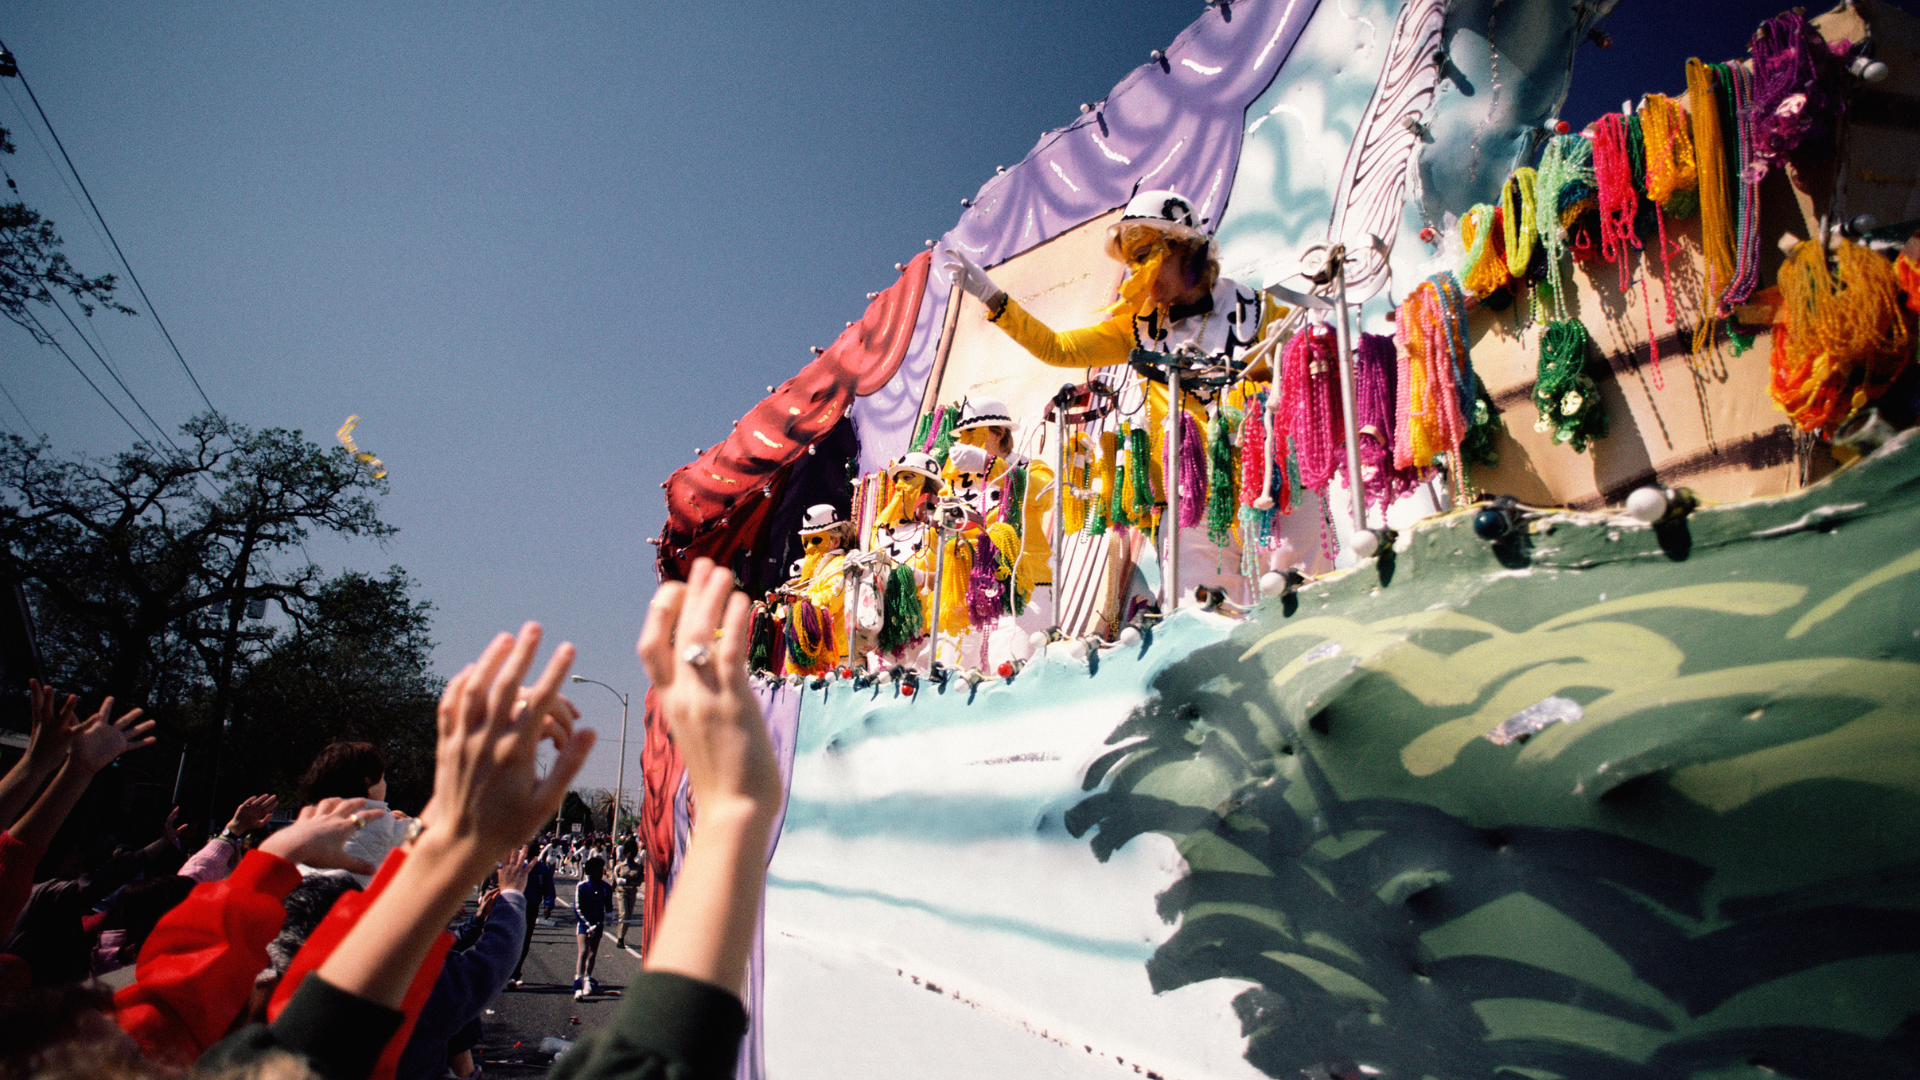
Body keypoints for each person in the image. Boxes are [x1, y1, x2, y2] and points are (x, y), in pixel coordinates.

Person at [300, 741, 407, 886]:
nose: (385, 784)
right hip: (348, 905)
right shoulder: (388, 826)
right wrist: (409, 822)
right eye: (382, 778)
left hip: (299, 901)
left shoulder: (308, 822)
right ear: (368, 783)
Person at [509, 840, 554, 987]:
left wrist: (548, 904)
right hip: (515, 905)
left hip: (531, 907)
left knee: (525, 940)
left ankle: (515, 972)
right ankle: (505, 970)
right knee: (511, 938)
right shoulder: (517, 866)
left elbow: (548, 888)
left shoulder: (542, 869)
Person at [573, 856, 612, 999]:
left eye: (602, 870)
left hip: (598, 924)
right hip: (584, 925)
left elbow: (608, 905)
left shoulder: (606, 887)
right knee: (583, 951)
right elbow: (577, 909)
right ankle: (578, 984)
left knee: (593, 953)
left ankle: (587, 979)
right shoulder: (582, 886)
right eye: (598, 870)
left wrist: (609, 916)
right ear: (591, 871)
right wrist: (587, 925)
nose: (601, 872)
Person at [612, 838, 644, 951]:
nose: (630, 854)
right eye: (628, 852)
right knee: (623, 914)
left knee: (628, 917)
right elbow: (615, 881)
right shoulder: (619, 867)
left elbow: (640, 881)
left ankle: (622, 935)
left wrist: (631, 882)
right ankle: (620, 939)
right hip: (622, 892)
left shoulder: (639, 867)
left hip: (632, 892)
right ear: (625, 853)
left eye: (633, 852)